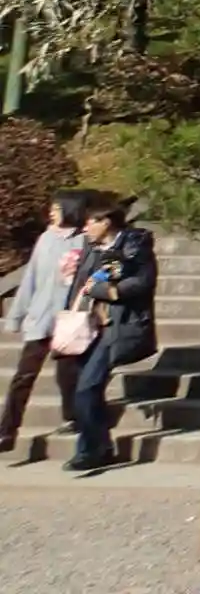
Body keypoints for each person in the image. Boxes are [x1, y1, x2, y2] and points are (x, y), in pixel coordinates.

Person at [64, 200, 157, 474]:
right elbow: (83, 284)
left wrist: (107, 291)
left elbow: (142, 281)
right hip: (88, 325)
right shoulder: (92, 248)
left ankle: (90, 450)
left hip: (116, 325)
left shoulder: (134, 245)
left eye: (90, 222)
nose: (85, 228)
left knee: (87, 387)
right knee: (85, 388)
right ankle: (100, 446)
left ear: (106, 222)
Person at [0, 191, 88, 454]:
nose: (51, 212)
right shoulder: (46, 238)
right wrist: (17, 315)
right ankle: (7, 431)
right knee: (23, 376)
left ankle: (73, 417)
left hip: (68, 320)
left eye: (57, 208)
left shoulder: (85, 240)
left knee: (67, 376)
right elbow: (30, 279)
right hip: (40, 319)